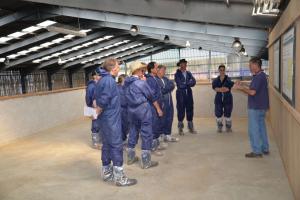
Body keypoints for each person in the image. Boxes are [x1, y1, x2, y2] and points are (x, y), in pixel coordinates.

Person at [94, 58, 137, 186]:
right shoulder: (109, 81)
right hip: (111, 119)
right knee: (116, 145)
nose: (119, 68)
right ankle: (120, 178)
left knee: (107, 145)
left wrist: (98, 110)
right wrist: (98, 109)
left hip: (106, 118)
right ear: (113, 68)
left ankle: (107, 173)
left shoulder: (103, 79)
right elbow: (104, 99)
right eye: (118, 66)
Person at [125, 61, 159, 169]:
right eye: (142, 70)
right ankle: (146, 161)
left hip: (131, 110)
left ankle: (130, 157)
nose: (143, 72)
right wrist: (144, 82)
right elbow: (150, 95)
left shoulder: (126, 83)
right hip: (142, 110)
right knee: (146, 133)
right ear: (138, 71)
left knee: (133, 131)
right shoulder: (140, 83)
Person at [234, 57, 270, 158]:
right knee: (261, 128)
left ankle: (257, 151)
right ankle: (265, 148)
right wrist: (243, 84)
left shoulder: (258, 77)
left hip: (256, 107)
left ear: (255, 65)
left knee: (253, 129)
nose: (249, 67)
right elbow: (253, 87)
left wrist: (240, 88)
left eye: (250, 65)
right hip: (261, 107)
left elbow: (252, 92)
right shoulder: (260, 75)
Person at [145, 62, 166, 156]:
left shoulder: (154, 78)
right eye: (157, 68)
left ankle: (156, 145)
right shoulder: (150, 80)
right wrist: (158, 108)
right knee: (153, 126)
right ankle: (152, 148)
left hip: (157, 105)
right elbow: (151, 96)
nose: (158, 69)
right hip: (152, 107)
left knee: (157, 125)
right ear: (152, 69)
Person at [156, 65, 179, 142]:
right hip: (161, 104)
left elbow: (172, 85)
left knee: (169, 118)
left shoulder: (165, 79)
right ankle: (160, 135)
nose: (164, 72)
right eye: (163, 70)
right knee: (161, 119)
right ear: (158, 70)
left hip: (169, 103)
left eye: (165, 70)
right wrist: (166, 89)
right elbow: (159, 91)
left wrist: (165, 89)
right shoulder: (155, 80)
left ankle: (167, 134)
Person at [174, 59, 197, 135]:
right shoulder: (177, 74)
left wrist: (186, 83)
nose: (185, 65)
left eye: (185, 64)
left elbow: (194, 82)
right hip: (180, 94)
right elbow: (180, 84)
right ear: (180, 65)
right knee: (181, 110)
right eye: (183, 64)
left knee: (190, 109)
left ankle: (190, 127)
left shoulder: (189, 73)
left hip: (189, 94)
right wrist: (188, 83)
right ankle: (180, 128)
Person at [212, 64, 234, 133]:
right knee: (218, 113)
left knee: (228, 112)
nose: (222, 71)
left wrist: (221, 89)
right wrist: (221, 89)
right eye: (220, 70)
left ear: (225, 70)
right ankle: (219, 127)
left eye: (223, 70)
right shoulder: (215, 80)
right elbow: (215, 88)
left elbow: (228, 89)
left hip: (227, 98)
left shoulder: (228, 79)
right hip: (218, 98)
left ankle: (228, 127)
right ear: (219, 70)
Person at [85, 68, 102, 149]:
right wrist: (91, 105)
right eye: (99, 75)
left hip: (99, 107)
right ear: (94, 76)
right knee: (95, 124)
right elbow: (88, 97)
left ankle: (99, 141)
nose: (100, 76)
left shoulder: (98, 84)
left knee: (99, 123)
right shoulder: (91, 86)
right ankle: (95, 142)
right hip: (94, 107)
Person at [117, 74, 129, 144]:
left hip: (124, 109)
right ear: (123, 80)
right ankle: (122, 140)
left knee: (125, 125)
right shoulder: (119, 88)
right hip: (121, 109)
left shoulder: (124, 88)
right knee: (122, 126)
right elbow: (123, 101)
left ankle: (123, 139)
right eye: (126, 79)